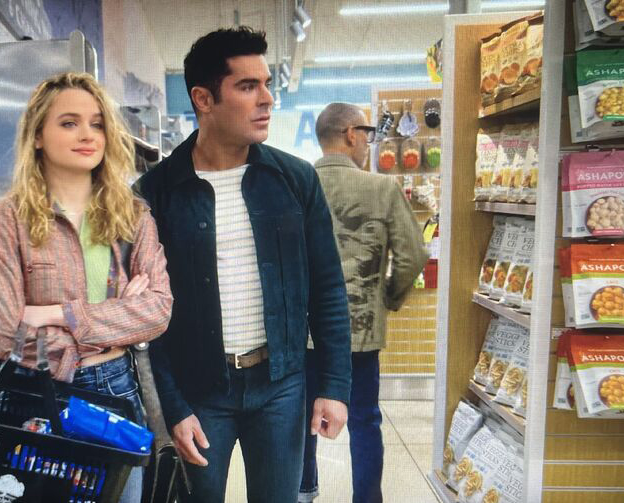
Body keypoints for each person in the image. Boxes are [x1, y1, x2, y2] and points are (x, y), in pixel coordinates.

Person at [136, 27, 352, 503]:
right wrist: (172, 406)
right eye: (247, 86)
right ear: (203, 98)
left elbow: (328, 289)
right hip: (199, 392)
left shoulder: (294, 181)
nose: (267, 99)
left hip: (281, 384)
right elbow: (148, 319)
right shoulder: (156, 195)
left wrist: (335, 385)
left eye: (266, 83)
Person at [0, 72, 172, 503]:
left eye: (97, 123)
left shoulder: (133, 217)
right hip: (36, 394)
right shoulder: (7, 220)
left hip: (115, 389)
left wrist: (56, 314)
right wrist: (119, 314)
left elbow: (158, 310)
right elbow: (5, 334)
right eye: (69, 123)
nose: (87, 134)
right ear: (38, 137)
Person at [298, 102, 429, 503]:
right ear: (351, 134)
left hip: (303, 333)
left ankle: (304, 491)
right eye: (368, 135)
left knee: (301, 420)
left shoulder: (297, 185)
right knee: (365, 422)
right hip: (360, 331)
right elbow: (412, 256)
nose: (369, 144)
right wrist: (385, 298)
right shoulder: (381, 188)